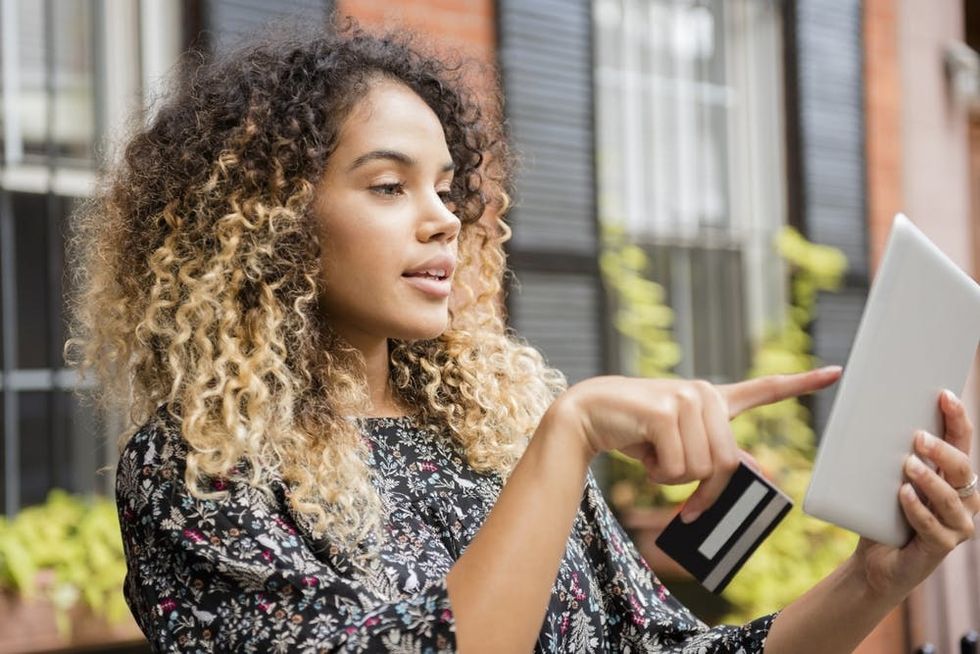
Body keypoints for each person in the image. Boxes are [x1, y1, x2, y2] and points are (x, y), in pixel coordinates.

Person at [65, 19, 978, 653]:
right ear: (268, 220)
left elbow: (666, 647)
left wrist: (877, 580)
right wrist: (571, 434)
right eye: (389, 187)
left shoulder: (492, 430)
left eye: (447, 189)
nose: (443, 222)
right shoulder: (199, 468)